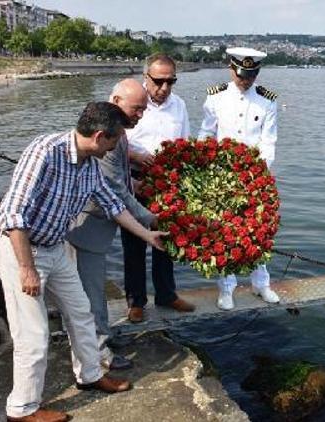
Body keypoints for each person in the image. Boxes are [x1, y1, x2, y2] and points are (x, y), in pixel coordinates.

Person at [0, 101, 167, 422]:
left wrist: (147, 235)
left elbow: (114, 205)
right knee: (32, 334)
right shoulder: (45, 151)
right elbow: (12, 214)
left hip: (55, 247)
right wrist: (27, 267)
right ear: (100, 136)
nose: (115, 148)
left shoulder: (90, 165)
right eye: (114, 142)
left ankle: (89, 375)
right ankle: (22, 409)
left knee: (82, 312)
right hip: (21, 249)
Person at [66, 79, 153, 372]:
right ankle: (99, 352)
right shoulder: (106, 134)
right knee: (88, 292)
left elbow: (120, 177)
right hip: (86, 224)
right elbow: (113, 188)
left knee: (96, 286)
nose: (141, 114)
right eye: (137, 108)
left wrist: (135, 181)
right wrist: (150, 219)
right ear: (116, 100)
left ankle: (103, 334)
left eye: (144, 109)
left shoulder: (119, 132)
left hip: (100, 224)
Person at [198, 47, 280, 310]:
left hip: (255, 177)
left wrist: (258, 173)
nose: (246, 80)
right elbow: (206, 135)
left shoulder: (267, 101)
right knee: (223, 233)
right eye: (242, 74)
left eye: (252, 75)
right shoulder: (216, 98)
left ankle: (261, 284)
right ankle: (226, 289)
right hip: (222, 176)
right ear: (231, 69)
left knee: (258, 231)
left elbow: (268, 141)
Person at [123, 53, 195, 322]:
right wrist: (135, 156)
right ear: (146, 77)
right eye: (158, 81)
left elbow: (185, 143)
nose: (164, 88)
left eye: (170, 81)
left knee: (166, 240)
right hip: (135, 179)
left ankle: (166, 294)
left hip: (168, 182)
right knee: (134, 242)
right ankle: (136, 301)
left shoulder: (179, 106)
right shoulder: (129, 100)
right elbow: (112, 142)